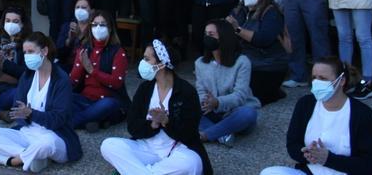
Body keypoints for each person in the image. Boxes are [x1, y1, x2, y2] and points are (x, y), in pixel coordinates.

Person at [100, 40, 212, 175]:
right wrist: (153, 124)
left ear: (161, 63)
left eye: (147, 59)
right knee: (108, 145)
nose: (142, 62)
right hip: (146, 148)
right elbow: (132, 126)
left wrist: (166, 121)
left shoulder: (186, 92)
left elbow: (189, 133)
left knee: (193, 162)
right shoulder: (145, 89)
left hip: (176, 151)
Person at [0, 31, 83, 171]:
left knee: (46, 145)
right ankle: (34, 157)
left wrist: (31, 114)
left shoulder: (61, 80)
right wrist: (23, 116)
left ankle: (11, 160)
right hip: (27, 133)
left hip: (54, 135)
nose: (27, 56)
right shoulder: (27, 76)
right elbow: (17, 110)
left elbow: (58, 119)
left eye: (31, 51)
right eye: (25, 52)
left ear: (44, 51)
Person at [259, 57, 372, 175]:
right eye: (314, 78)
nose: (317, 82)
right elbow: (293, 144)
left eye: (323, 78)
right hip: (310, 172)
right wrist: (306, 153)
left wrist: (328, 159)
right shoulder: (306, 104)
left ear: (342, 81)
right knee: (268, 172)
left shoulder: (362, 114)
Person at [194, 19, 260, 147]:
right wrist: (206, 103)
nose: (207, 37)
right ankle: (223, 133)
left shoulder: (242, 62)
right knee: (186, 107)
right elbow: (200, 91)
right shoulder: (200, 63)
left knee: (248, 113)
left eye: (211, 34)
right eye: (206, 34)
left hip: (235, 112)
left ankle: (206, 135)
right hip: (211, 112)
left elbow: (240, 96)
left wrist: (217, 102)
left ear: (223, 36)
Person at [227, 0, 289, 105]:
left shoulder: (271, 12)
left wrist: (237, 29)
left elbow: (263, 39)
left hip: (268, 65)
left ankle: (273, 91)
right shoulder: (240, 10)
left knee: (250, 98)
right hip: (246, 62)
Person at [69, 10, 130, 131]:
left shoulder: (118, 52)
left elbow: (117, 83)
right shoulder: (84, 49)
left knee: (109, 104)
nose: (98, 28)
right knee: (65, 97)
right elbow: (73, 81)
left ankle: (72, 123)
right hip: (85, 99)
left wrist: (92, 70)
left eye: (102, 25)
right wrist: (80, 64)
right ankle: (95, 120)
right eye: (95, 24)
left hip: (106, 100)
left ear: (110, 28)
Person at [55, 0, 92, 72]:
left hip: (86, 68)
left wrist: (80, 36)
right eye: (77, 7)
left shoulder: (95, 27)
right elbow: (59, 54)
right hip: (67, 67)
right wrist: (69, 39)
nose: (80, 10)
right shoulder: (67, 26)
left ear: (91, 10)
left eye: (84, 7)